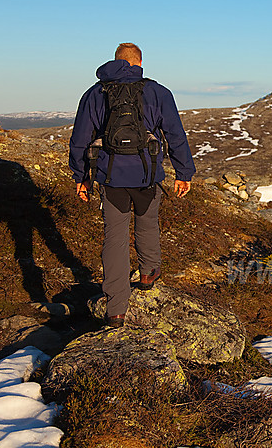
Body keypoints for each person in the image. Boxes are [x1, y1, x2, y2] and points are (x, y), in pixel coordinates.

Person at [69, 42, 195, 327]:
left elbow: (79, 140)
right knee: (147, 223)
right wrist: (183, 172)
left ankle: (116, 309)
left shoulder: (94, 94)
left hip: (111, 178)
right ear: (139, 63)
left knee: (115, 237)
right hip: (147, 176)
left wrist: (81, 178)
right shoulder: (158, 92)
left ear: (116, 62)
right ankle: (149, 273)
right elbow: (175, 135)